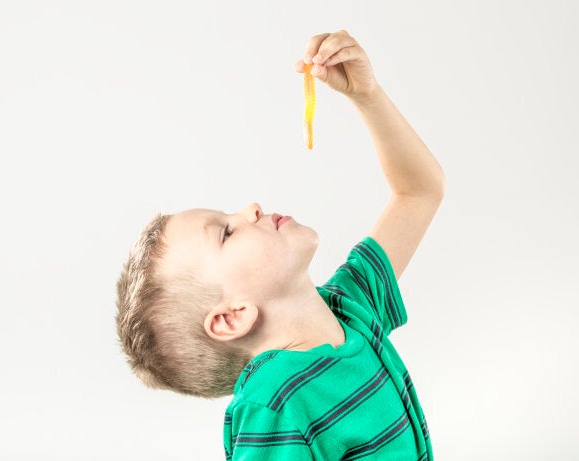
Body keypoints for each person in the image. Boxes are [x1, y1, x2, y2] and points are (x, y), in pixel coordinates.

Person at [116, 29, 444, 460]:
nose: (249, 207)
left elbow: (419, 191)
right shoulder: (273, 404)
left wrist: (367, 95)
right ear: (233, 316)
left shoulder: (352, 309)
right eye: (226, 232)